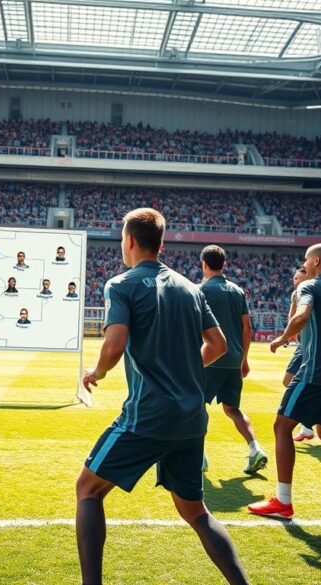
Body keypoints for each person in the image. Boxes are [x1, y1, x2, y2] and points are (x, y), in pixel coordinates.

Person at [77, 208, 249, 585]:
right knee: (196, 512)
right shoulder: (191, 287)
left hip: (148, 415)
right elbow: (218, 345)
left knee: (87, 490)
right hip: (191, 418)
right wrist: (186, 369)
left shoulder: (120, 284)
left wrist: (97, 372)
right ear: (162, 244)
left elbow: (114, 344)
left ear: (131, 241)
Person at [248, 243, 321, 519]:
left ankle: (283, 501)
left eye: (306, 260)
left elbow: (302, 315)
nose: (305, 264)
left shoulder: (309, 287)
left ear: (316, 261)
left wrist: (282, 337)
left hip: (314, 371)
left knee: (281, 426)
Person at [198, 245, 267, 475]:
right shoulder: (237, 291)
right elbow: (247, 327)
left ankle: (198, 456)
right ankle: (255, 447)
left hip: (211, 359)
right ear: (224, 264)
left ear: (204, 264)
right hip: (234, 360)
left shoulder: (201, 291)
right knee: (232, 409)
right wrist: (244, 359)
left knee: (196, 405)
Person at [285, 267, 315, 442]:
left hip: (308, 346)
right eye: (295, 278)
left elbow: (300, 316)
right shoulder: (297, 294)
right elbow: (292, 316)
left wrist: (284, 337)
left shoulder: (308, 292)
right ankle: (307, 426)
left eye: (299, 279)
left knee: (289, 381)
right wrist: (289, 334)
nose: (295, 281)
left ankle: (307, 425)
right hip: (302, 344)